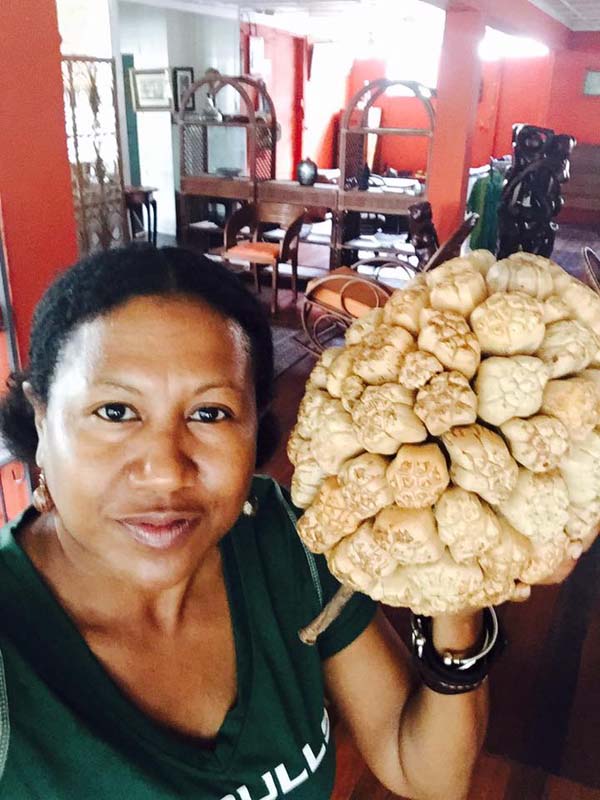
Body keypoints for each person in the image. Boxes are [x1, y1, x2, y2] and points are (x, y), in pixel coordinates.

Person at [0, 246, 570, 800]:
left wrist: (457, 583)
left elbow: (422, 771)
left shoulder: (281, 534)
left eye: (210, 413)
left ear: (254, 429)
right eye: (116, 412)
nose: (166, 471)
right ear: (42, 418)